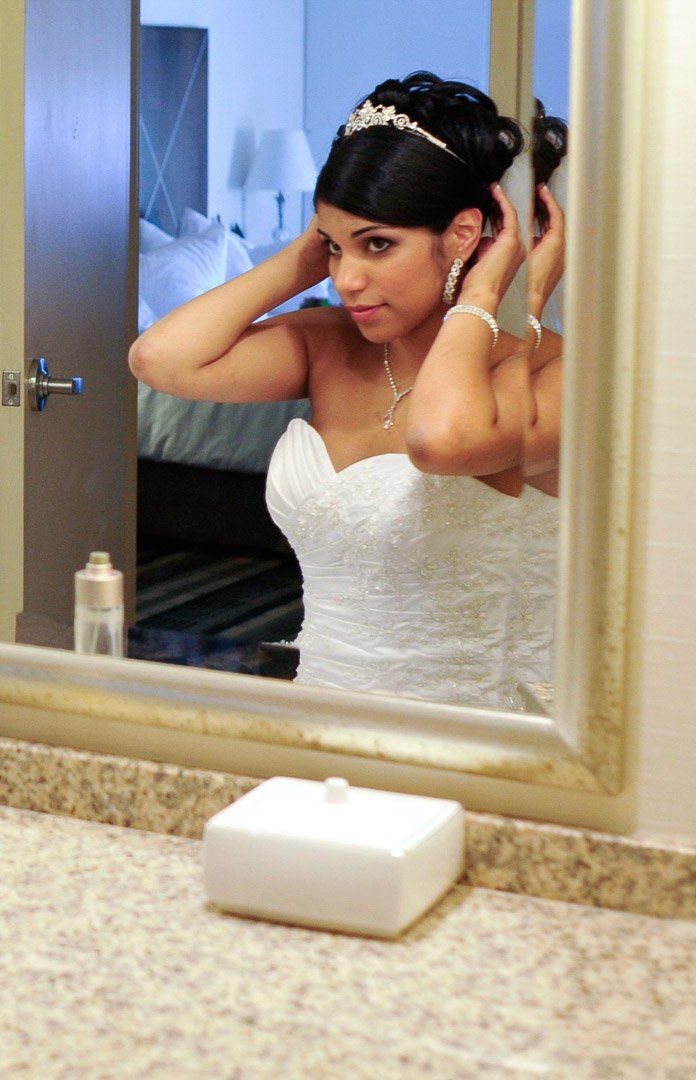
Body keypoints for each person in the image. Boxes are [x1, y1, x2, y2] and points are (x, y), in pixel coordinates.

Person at [128, 72, 560, 710]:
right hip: (326, 719)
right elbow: (158, 359)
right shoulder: (328, 344)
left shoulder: (553, 375)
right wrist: (308, 254)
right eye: (335, 248)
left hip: (489, 740)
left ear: (465, 236)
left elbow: (438, 441)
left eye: (379, 245)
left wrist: (486, 293)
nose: (348, 279)